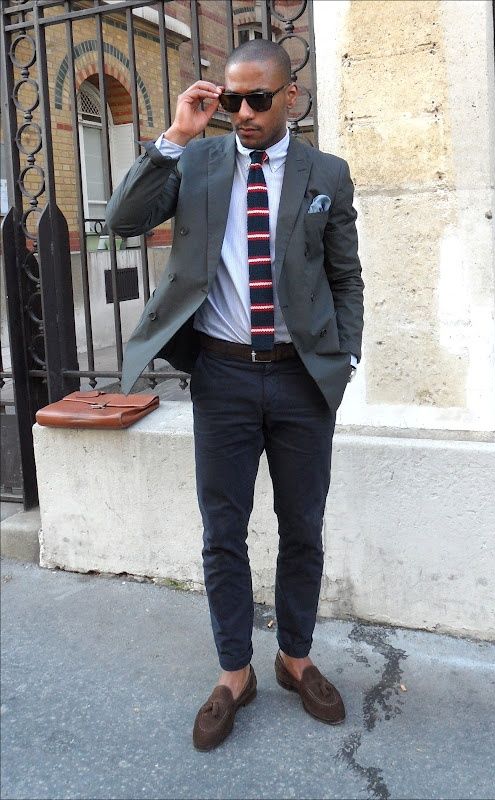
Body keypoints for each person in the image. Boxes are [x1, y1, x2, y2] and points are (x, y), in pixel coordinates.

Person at [106, 39, 364, 752]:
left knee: (303, 525)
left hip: (301, 378)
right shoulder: (198, 160)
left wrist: (345, 356)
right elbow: (122, 221)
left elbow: (345, 275)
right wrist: (174, 136)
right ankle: (234, 672)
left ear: (290, 98)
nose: (242, 113)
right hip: (221, 376)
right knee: (223, 531)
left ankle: (295, 657)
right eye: (231, 100)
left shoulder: (326, 174)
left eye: (257, 99)